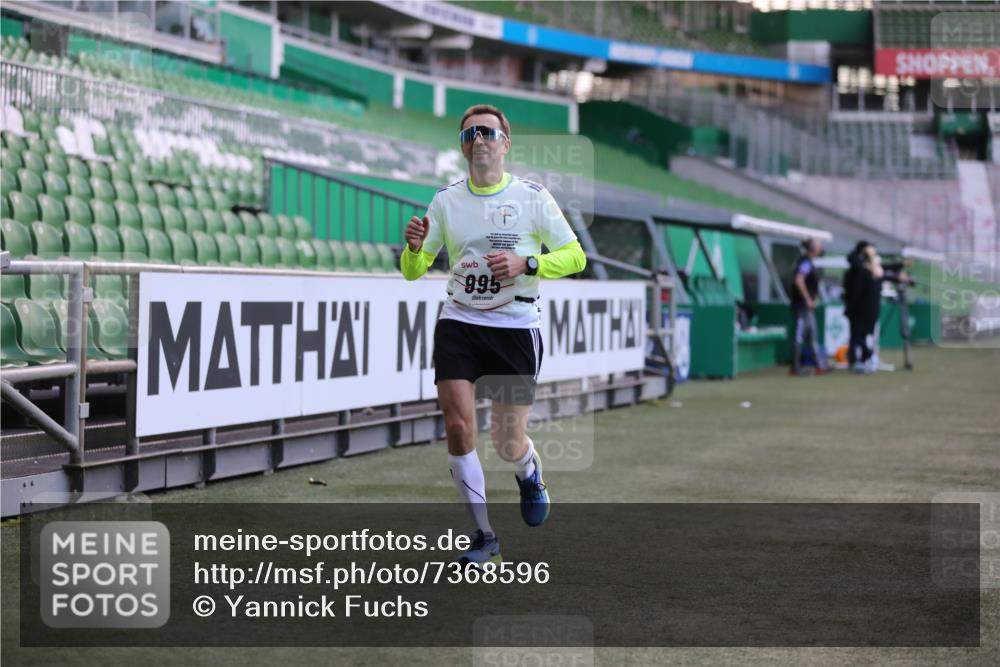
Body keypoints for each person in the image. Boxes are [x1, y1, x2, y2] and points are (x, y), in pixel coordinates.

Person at [400, 104, 586, 565]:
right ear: (462, 147)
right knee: (459, 424)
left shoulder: (533, 197)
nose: (477, 139)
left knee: (507, 441)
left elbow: (576, 256)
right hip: (460, 321)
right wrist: (413, 249)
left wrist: (531, 264)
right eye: (469, 134)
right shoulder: (445, 200)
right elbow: (414, 271)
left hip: (515, 325)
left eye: (487, 132)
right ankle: (483, 535)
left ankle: (528, 471)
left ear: (505, 144)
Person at [789, 238, 830, 376]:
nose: (821, 248)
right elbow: (799, 280)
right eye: (819, 245)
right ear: (813, 248)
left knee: (812, 335)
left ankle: (818, 364)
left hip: (807, 307)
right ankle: (795, 367)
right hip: (801, 306)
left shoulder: (809, 262)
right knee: (798, 336)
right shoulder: (805, 262)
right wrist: (807, 299)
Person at [844, 242, 883, 373]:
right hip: (872, 311)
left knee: (857, 336)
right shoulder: (876, 272)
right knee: (863, 336)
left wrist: (849, 308)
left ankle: (869, 356)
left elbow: (856, 293)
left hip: (861, 311)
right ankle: (863, 360)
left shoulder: (863, 272)